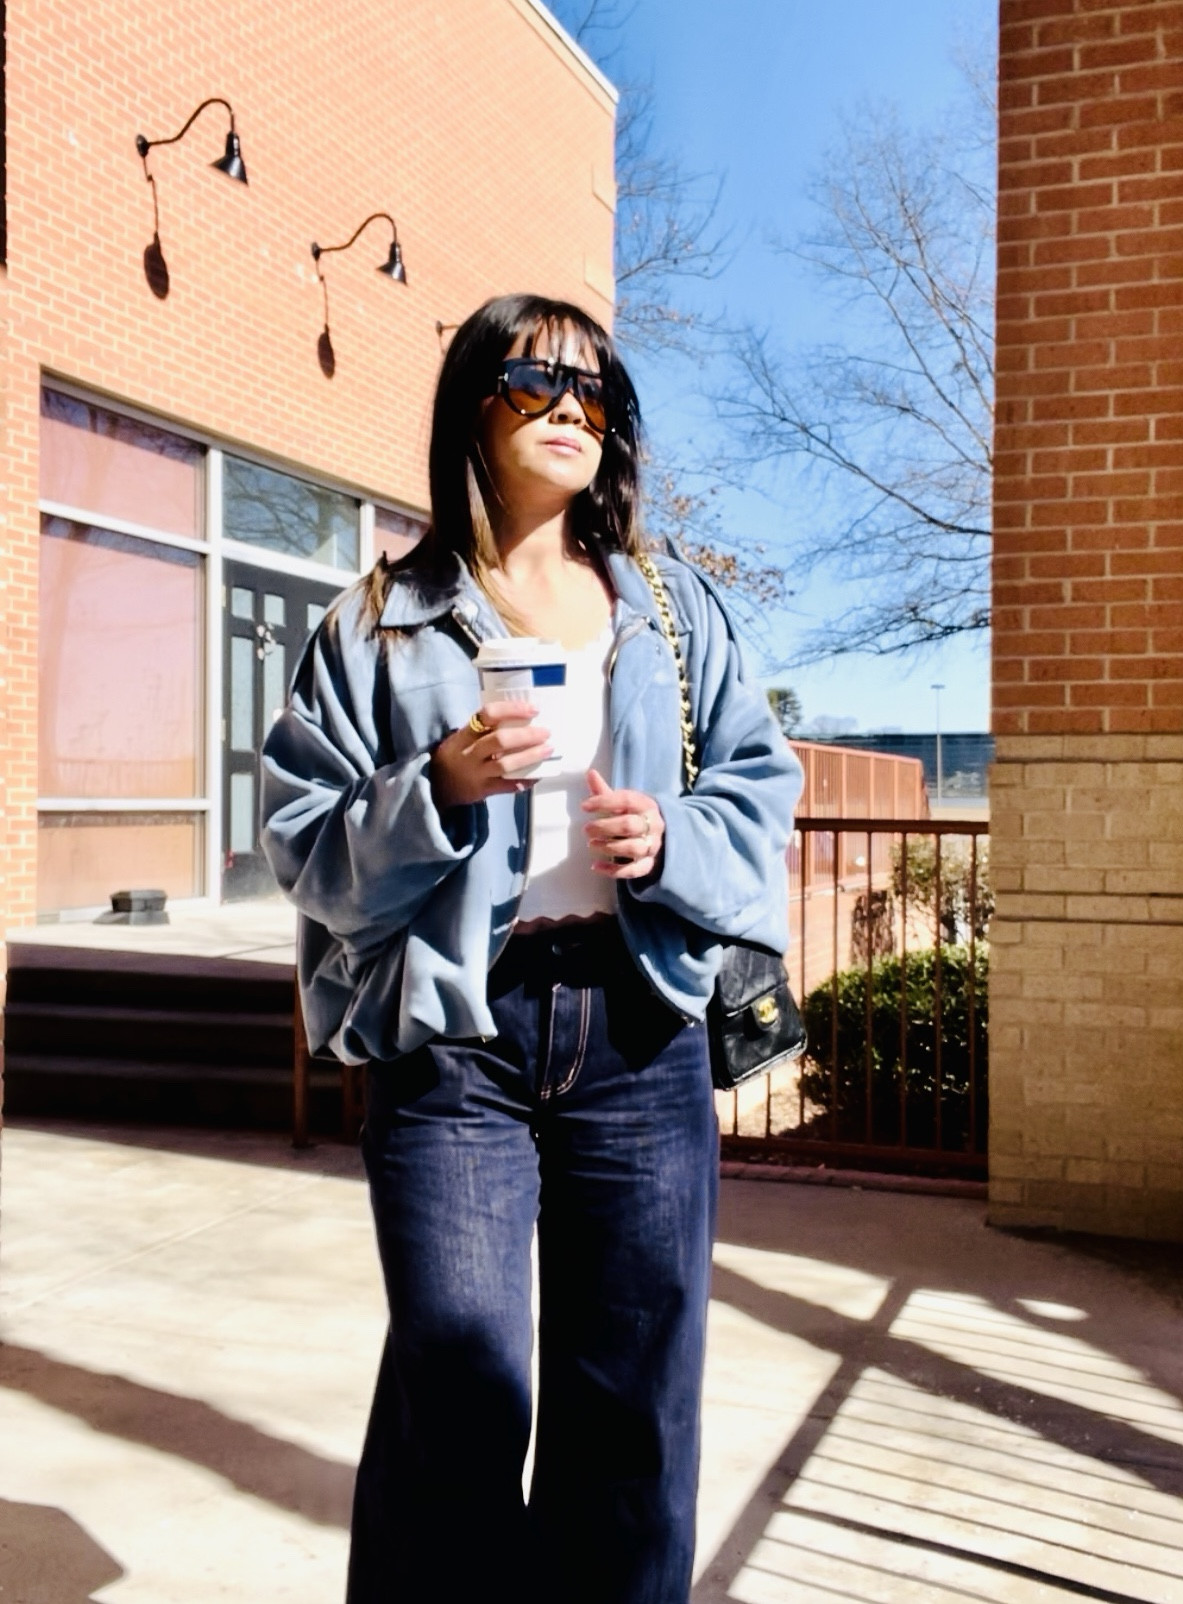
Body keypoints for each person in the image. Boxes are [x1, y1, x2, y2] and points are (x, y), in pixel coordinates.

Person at [260, 292, 802, 1603]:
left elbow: (761, 786)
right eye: (535, 379)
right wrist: (435, 785)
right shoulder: (377, 620)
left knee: (632, 1407)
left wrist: (669, 840)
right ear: (471, 403)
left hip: (639, 1028)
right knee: (458, 1384)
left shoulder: (672, 616)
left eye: (596, 390)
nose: (572, 407)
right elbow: (301, 840)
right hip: (457, 1042)